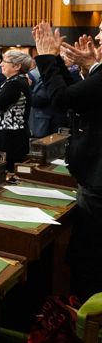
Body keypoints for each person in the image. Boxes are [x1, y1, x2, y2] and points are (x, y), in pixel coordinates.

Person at [33, 22, 102, 299]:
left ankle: (84, 319)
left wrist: (47, 58)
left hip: (98, 184)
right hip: (94, 178)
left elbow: (62, 98)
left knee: (90, 260)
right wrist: (77, 66)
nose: (98, 37)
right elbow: (79, 97)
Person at [0, 50, 33, 171]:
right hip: (11, 136)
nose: (1, 64)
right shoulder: (15, 81)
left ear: (17, 66)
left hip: (11, 138)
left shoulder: (15, 84)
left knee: (9, 171)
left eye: (5, 61)